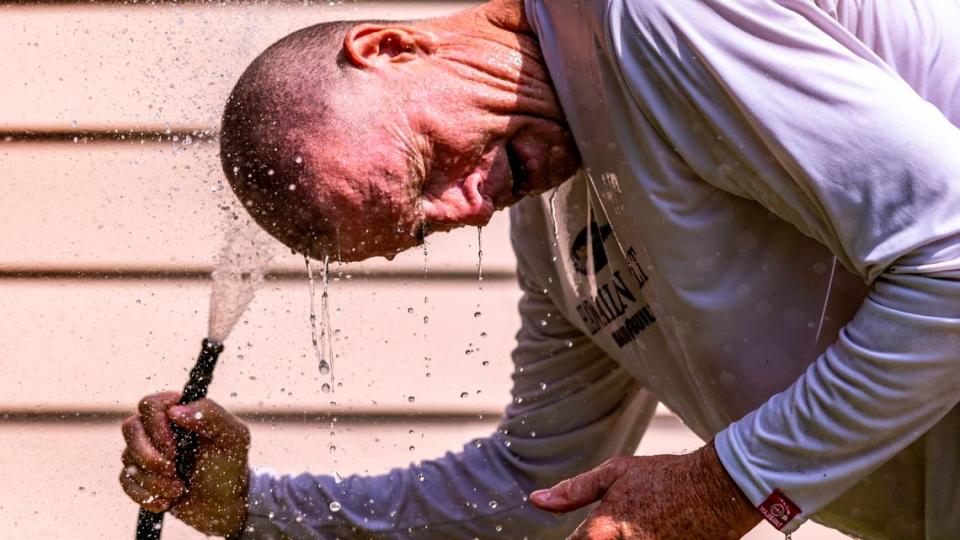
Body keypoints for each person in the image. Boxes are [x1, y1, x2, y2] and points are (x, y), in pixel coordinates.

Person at [120, 0, 960, 538]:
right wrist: (252, 509)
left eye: (426, 167)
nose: (469, 205)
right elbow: (537, 486)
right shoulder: (556, 216)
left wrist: (728, 484)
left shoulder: (647, 18)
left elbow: (951, 255)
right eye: (421, 229)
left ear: (389, 46)